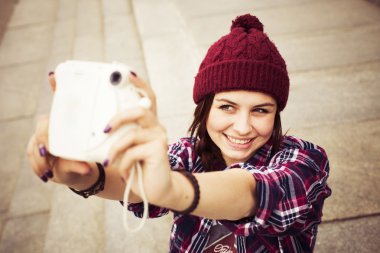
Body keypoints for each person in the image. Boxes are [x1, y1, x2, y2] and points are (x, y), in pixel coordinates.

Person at [26, 14, 331, 253]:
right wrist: (83, 176)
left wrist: (171, 189)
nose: (242, 126)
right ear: (205, 107)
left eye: (261, 110)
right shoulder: (187, 153)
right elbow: (134, 184)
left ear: (276, 113)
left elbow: (252, 191)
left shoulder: (305, 161)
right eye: (227, 107)